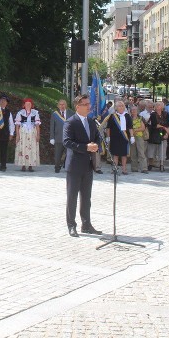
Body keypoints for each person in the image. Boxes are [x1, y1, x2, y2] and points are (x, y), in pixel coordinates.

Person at [63, 94, 102, 237]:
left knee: (86, 197)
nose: (88, 107)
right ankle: (71, 225)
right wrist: (86, 147)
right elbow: (67, 142)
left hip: (88, 165)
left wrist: (96, 145)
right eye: (85, 104)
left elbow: (97, 137)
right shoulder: (70, 122)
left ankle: (86, 224)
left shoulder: (91, 122)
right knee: (72, 197)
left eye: (88, 104)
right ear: (78, 106)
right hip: (74, 166)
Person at [107, 100, 133, 174]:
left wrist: (132, 136)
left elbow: (130, 127)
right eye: (119, 106)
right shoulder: (112, 116)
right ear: (116, 108)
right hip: (114, 138)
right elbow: (108, 128)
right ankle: (115, 169)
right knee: (115, 154)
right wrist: (108, 137)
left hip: (124, 137)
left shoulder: (127, 116)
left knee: (124, 155)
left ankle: (124, 169)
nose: (121, 107)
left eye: (122, 106)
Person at [15, 98, 41, 172]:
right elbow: (17, 125)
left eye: (29, 104)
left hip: (32, 133)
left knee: (32, 148)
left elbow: (37, 125)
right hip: (23, 132)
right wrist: (17, 135)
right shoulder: (20, 113)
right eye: (26, 104)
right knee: (22, 148)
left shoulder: (35, 113)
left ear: (31, 105)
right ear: (24, 105)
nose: (28, 105)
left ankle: (30, 165)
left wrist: (38, 135)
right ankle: (23, 165)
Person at [49, 99, 74, 173]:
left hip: (69, 138)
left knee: (69, 154)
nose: (62, 106)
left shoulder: (71, 113)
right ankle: (57, 167)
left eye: (63, 104)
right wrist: (52, 138)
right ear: (58, 106)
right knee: (57, 155)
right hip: (58, 138)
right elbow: (52, 127)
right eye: (60, 104)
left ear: (66, 105)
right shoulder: (55, 114)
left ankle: (67, 166)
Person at [147, 101, 169, 171]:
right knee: (151, 150)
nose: (157, 106)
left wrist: (166, 134)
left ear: (162, 107)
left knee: (162, 149)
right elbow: (155, 125)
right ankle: (150, 164)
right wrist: (165, 128)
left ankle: (161, 164)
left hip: (162, 133)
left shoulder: (166, 114)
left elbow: (167, 124)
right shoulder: (153, 114)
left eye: (159, 105)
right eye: (156, 105)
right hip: (154, 133)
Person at [130, 102, 148, 173]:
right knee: (133, 153)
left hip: (139, 137)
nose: (134, 111)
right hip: (131, 137)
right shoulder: (129, 118)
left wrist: (134, 130)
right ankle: (134, 168)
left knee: (141, 153)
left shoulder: (140, 118)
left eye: (135, 110)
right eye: (132, 110)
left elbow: (143, 128)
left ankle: (144, 168)